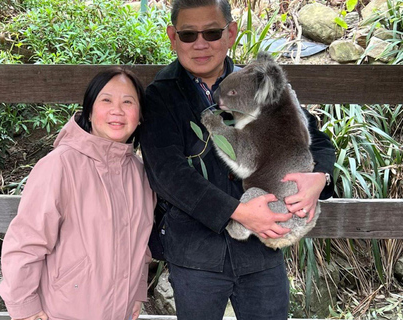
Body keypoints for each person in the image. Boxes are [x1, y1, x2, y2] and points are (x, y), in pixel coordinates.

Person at [140, 0, 336, 319]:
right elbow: (168, 175)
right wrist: (239, 212)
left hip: (262, 250)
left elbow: (316, 140)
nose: (201, 43)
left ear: (230, 33)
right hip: (196, 253)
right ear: (172, 37)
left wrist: (320, 178)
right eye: (189, 35)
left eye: (212, 32)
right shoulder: (161, 96)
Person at [0, 67, 155, 320]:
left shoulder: (140, 174)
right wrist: (24, 307)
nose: (117, 110)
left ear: (140, 117)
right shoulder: (59, 165)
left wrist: (136, 292)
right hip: (62, 311)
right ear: (90, 112)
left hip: (120, 311)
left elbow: (140, 243)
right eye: (106, 100)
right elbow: (26, 241)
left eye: (128, 102)